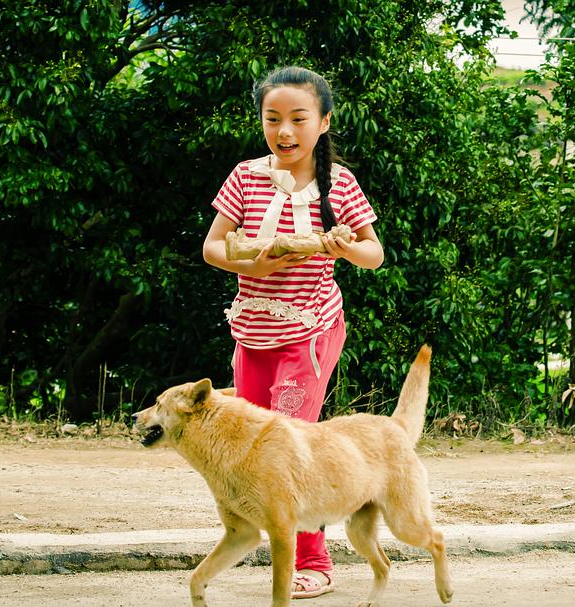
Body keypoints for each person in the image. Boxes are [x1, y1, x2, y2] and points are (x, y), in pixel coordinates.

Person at [201, 66, 384, 599]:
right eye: (272, 118)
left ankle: (315, 562)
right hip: (252, 329)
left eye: (298, 119)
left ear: (322, 123)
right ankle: (249, 538)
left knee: (291, 444)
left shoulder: (340, 183)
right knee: (249, 444)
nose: (284, 131)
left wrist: (345, 247)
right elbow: (213, 246)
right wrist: (249, 267)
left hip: (311, 328)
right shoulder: (245, 177)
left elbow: (374, 254)